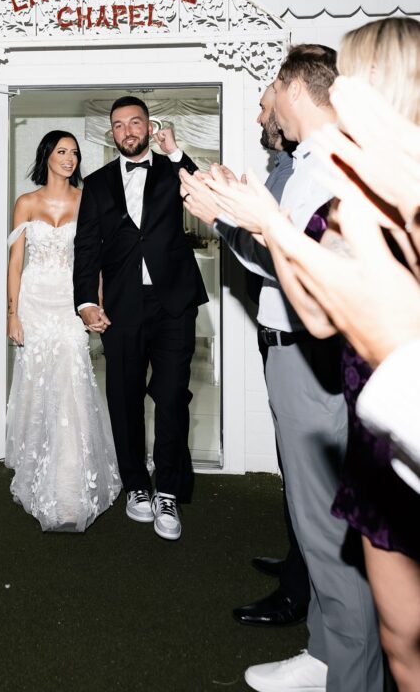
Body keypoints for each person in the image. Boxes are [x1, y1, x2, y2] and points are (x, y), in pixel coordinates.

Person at [181, 45, 383, 692]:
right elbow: (278, 252)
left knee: (327, 527)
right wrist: (239, 219)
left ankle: (349, 673)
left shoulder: (331, 167)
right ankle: (324, 653)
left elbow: (307, 272)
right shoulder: (302, 164)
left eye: (269, 89)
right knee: (311, 517)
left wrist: (234, 222)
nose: (264, 104)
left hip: (315, 355)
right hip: (291, 350)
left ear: (291, 88)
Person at [260, 21, 420, 692]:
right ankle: (329, 657)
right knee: (401, 639)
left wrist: (260, 224)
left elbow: (325, 314)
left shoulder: (358, 176)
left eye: (350, 75)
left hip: (390, 406)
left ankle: (339, 669)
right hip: (372, 403)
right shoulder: (348, 174)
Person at [190, 86, 309, 627]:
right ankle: (298, 565)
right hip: (280, 334)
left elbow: (281, 260)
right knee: (298, 475)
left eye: (266, 106)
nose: (261, 114)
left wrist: (221, 218)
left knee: (311, 483)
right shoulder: (286, 165)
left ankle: (301, 592)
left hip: (302, 344)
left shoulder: (312, 171)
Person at [73, 96, 207, 541]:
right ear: (111, 133)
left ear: (149, 127)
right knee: (125, 399)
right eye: (118, 125)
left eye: (135, 122)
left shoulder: (173, 169)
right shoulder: (95, 184)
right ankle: (136, 486)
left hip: (173, 305)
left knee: (171, 397)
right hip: (122, 307)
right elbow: (86, 248)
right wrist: (85, 302)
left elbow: (203, 190)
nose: (127, 130)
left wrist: (174, 151)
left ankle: (167, 490)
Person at [6, 131, 121, 532]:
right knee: (38, 387)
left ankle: (69, 489)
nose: (69, 158)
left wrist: (96, 304)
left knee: (72, 386)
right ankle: (36, 466)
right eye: (61, 151)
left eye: (74, 152)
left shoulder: (87, 201)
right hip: (34, 304)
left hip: (71, 303)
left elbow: (95, 261)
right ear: (47, 156)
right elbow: (16, 262)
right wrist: (12, 314)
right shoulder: (26, 202)